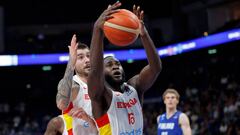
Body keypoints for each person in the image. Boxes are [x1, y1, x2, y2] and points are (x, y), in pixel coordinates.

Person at [87, 1, 162, 134]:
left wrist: (144, 35)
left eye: (117, 64)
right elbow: (94, 71)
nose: (115, 67)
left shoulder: (134, 87)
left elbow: (155, 68)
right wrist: (97, 30)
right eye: (109, 65)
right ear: (102, 73)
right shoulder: (101, 95)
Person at [56, 34, 98, 135]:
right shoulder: (74, 84)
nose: (87, 60)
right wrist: (71, 63)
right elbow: (61, 104)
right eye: (80, 57)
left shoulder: (102, 85)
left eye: (88, 56)